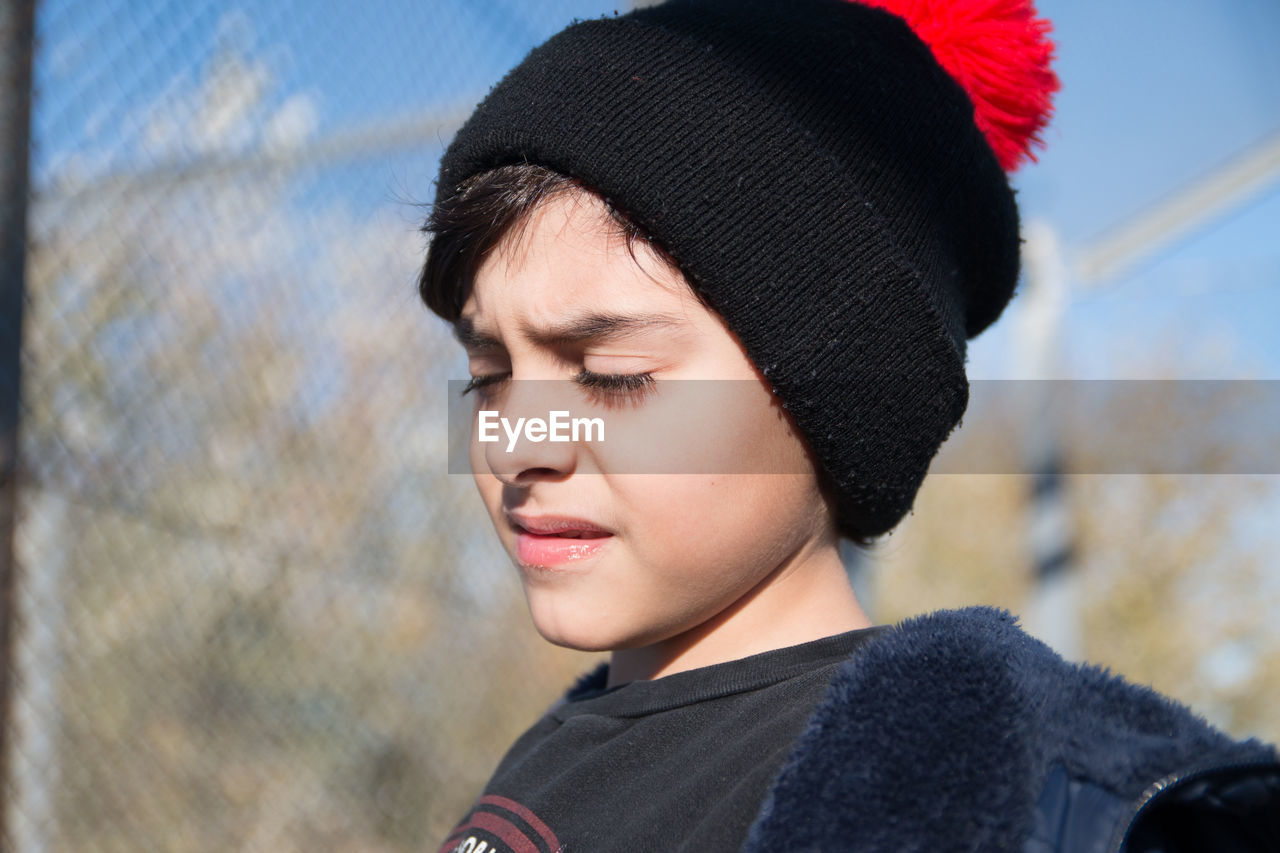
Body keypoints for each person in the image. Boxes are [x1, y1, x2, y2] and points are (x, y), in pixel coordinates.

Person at [418, 0, 1280, 850]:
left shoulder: (980, 803)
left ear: (832, 396)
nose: (516, 441)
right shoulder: (574, 736)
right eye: (490, 374)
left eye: (613, 378)